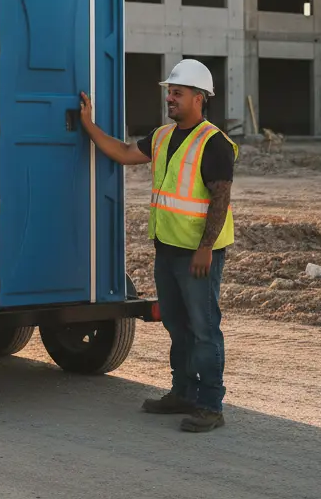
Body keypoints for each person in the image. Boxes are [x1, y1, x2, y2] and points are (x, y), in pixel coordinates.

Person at [79, 59, 237, 433]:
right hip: (167, 248)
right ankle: (183, 392)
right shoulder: (163, 137)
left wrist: (205, 247)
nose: (170, 98)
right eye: (169, 91)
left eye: (178, 93)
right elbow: (121, 152)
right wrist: (87, 125)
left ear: (199, 98)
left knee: (204, 328)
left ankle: (211, 405)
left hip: (199, 254)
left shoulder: (214, 143)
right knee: (176, 325)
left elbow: (220, 199)